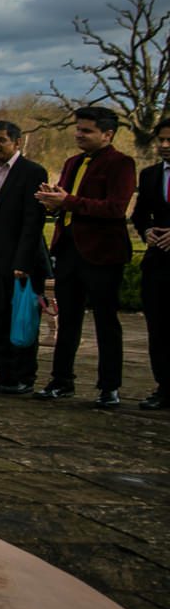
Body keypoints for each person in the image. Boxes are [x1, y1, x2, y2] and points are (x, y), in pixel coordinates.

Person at [35, 106, 137, 406]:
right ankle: (61, 380)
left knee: (106, 321)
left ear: (108, 134)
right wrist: (53, 201)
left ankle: (109, 387)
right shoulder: (72, 162)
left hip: (103, 253)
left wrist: (69, 201)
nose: (79, 134)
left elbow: (116, 208)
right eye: (78, 129)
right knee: (68, 320)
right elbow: (70, 203)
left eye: (87, 130)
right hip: (69, 251)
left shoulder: (122, 164)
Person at [0, 120, 49, 396]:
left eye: (1, 140)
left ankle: (24, 376)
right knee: (0, 320)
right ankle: (4, 372)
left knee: (23, 319)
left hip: (24, 261)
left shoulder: (32, 172)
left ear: (17, 143)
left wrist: (23, 262)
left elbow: (33, 222)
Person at [134, 119, 170, 411]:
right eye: (161, 139)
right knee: (158, 329)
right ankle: (164, 387)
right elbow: (140, 214)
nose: (165, 145)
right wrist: (146, 230)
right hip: (157, 264)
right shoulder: (149, 175)